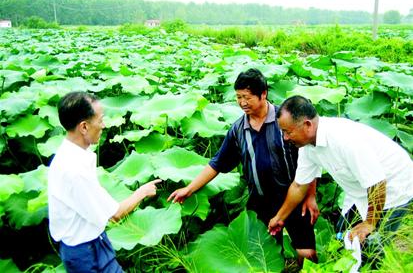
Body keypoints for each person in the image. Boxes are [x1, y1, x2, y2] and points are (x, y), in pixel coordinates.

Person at [168, 69, 318, 262]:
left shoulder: (286, 122)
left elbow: (310, 158)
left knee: (306, 253)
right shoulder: (238, 129)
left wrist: (311, 195)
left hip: (293, 196)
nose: (242, 103)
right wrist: (189, 189)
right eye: (238, 97)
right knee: (263, 255)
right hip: (260, 200)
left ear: (263, 94)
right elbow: (217, 163)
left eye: (247, 97)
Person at [268, 95, 413, 246]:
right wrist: (280, 217)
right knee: (342, 239)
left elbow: (377, 183)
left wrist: (369, 223)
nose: (285, 137)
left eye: (288, 132)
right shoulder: (308, 146)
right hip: (361, 192)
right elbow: (299, 186)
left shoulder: (344, 140)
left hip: (393, 188)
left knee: (373, 247)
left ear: (307, 125)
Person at [48, 91, 161, 273]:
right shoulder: (74, 169)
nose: (104, 125)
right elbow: (114, 214)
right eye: (100, 120)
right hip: (86, 253)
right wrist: (143, 192)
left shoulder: (67, 155)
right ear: (84, 127)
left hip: (87, 245)